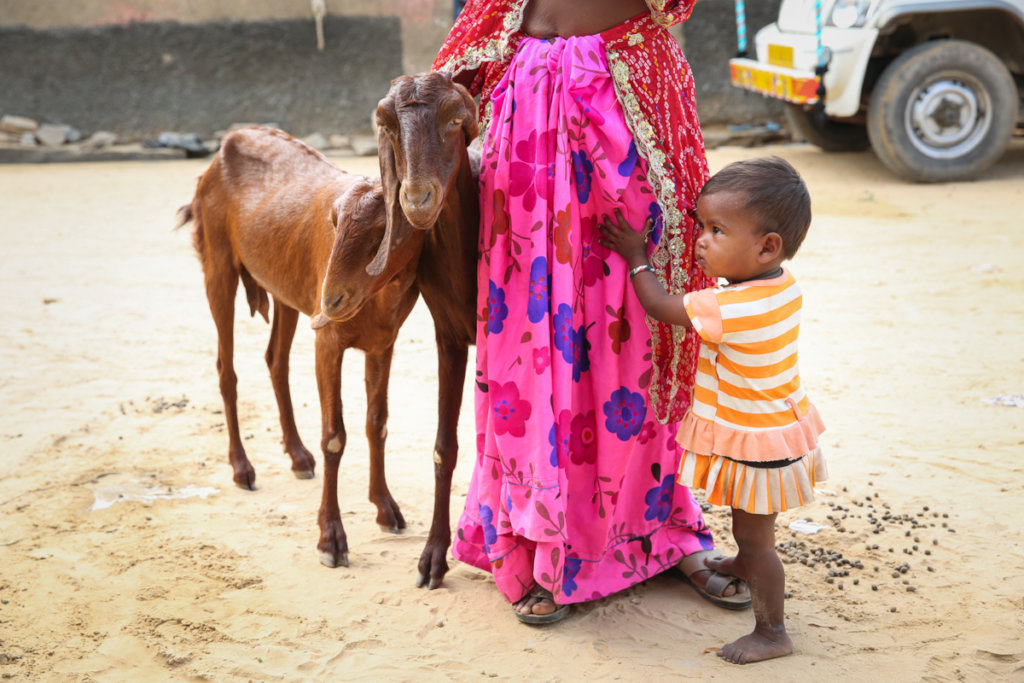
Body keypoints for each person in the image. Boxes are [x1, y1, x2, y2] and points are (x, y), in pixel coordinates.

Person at [432, 0, 751, 625]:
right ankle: (539, 543)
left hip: (619, 103)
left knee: (630, 341)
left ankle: (661, 533)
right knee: (531, 342)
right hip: (523, 116)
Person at [599, 155, 828, 663]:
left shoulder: (728, 307)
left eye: (716, 230)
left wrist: (637, 255)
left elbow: (660, 306)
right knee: (749, 525)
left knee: (757, 534)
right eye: (702, 226)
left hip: (757, 438)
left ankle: (772, 632)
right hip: (773, 426)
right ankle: (744, 563)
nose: (700, 239)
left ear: (767, 246)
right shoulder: (779, 286)